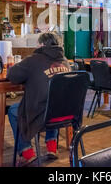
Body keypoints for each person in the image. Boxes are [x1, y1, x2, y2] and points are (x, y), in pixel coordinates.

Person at [7, 32, 71, 166]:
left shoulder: (33, 60)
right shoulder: (65, 61)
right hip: (64, 114)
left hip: (41, 115)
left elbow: (12, 75)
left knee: (13, 110)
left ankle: (26, 152)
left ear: (42, 44)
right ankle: (52, 147)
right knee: (53, 100)